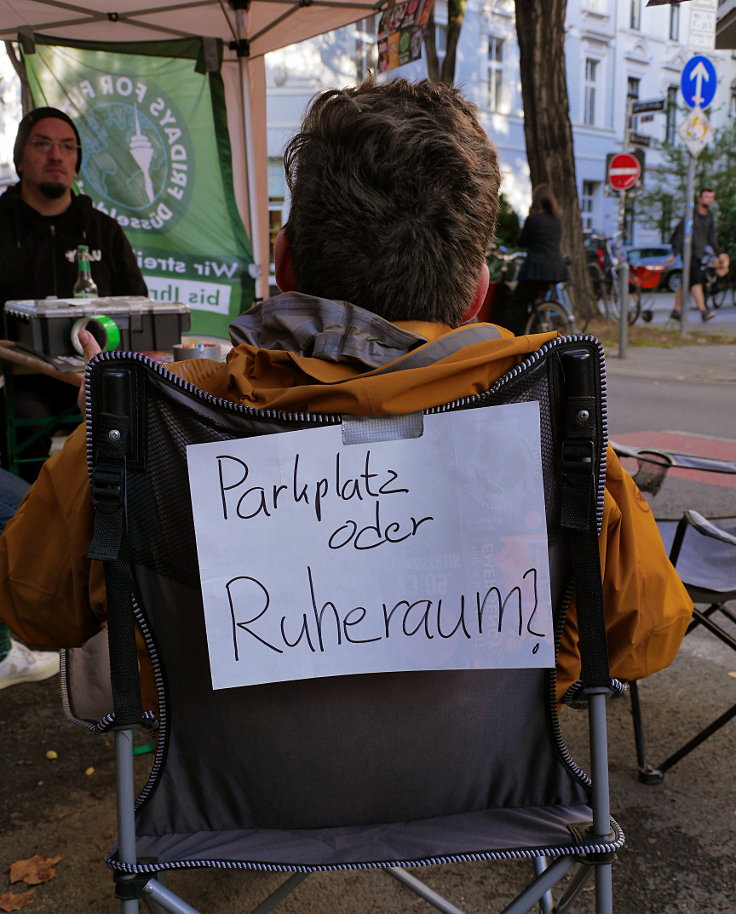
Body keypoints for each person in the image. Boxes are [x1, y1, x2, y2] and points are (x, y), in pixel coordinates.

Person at [0, 77, 692, 707]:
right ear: (479, 290)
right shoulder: (546, 420)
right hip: (474, 794)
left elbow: (33, 610)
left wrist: (101, 454)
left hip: (227, 799)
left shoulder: (157, 418)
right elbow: (646, 640)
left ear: (284, 260)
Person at [0, 106, 148, 481]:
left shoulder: (103, 230)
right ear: (19, 157)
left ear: (77, 161)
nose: (56, 155)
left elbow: (139, 305)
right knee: (22, 429)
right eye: (43, 144)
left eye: (67, 146)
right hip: (20, 382)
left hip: (98, 378)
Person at [502, 184, 567, 335]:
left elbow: (523, 241)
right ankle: (534, 324)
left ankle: (509, 336)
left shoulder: (533, 219)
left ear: (535, 200)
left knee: (516, 304)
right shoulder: (557, 219)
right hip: (556, 269)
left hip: (536, 269)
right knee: (530, 297)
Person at [669, 187, 724, 323]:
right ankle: (703, 310)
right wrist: (675, 253)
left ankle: (676, 311)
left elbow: (711, 237)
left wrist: (719, 253)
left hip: (699, 253)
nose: (709, 200)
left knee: (684, 282)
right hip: (688, 252)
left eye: (711, 197)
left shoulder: (710, 216)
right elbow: (680, 233)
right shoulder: (691, 214)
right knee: (696, 281)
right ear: (700, 199)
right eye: (706, 197)